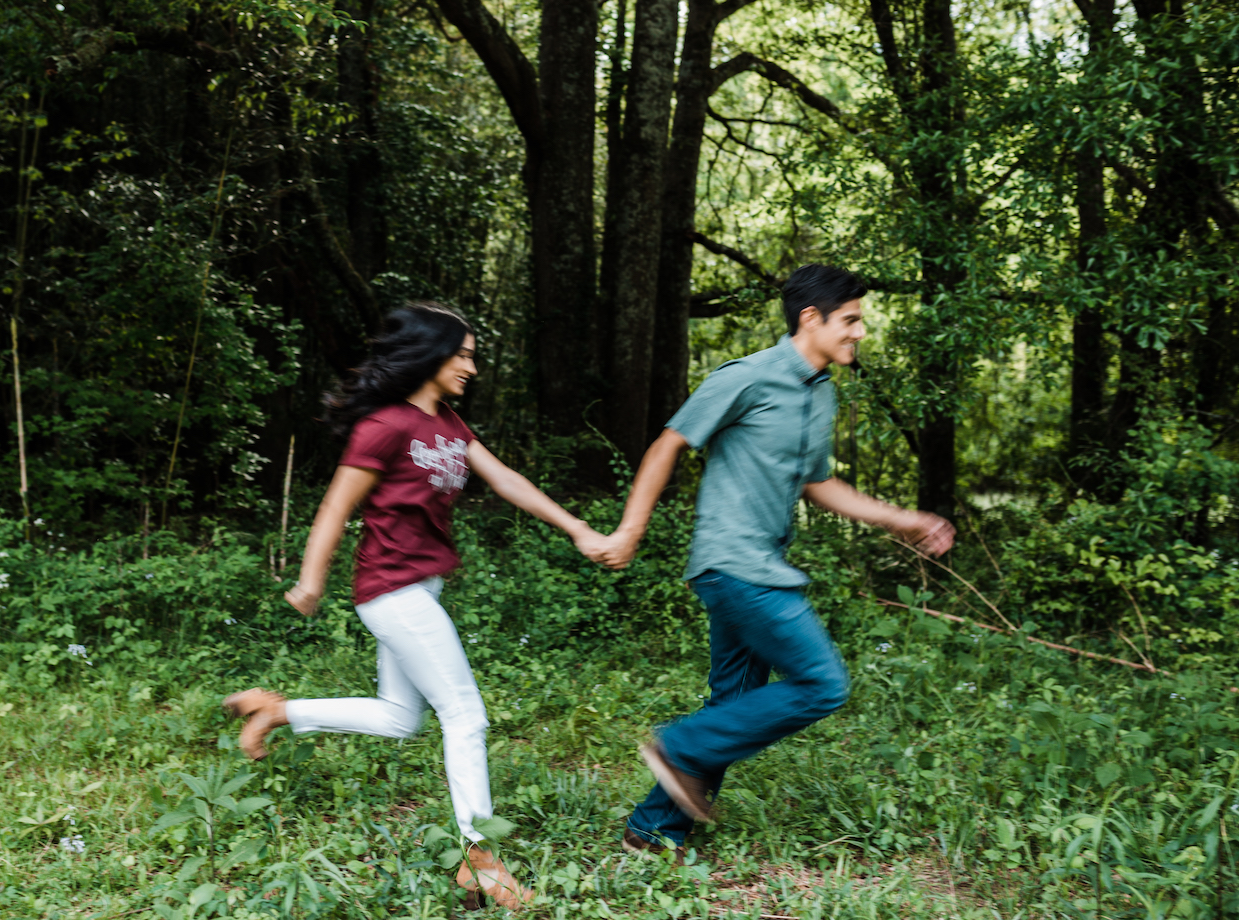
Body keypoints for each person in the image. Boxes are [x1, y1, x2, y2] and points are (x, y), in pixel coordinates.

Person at [225, 302, 607, 910]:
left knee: (400, 718)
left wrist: (578, 528)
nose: (471, 367)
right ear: (431, 355)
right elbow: (335, 505)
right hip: (390, 590)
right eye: (463, 355)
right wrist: (311, 578)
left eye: (472, 356)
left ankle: (277, 711)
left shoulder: (450, 424)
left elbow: (505, 479)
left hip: (418, 589)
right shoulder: (383, 426)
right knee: (466, 716)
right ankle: (479, 861)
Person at [593, 264, 956, 853]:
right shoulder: (749, 377)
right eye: (851, 320)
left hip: (762, 562)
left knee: (734, 704)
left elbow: (819, 484)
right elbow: (670, 443)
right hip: (734, 563)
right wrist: (630, 530)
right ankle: (679, 747)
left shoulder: (821, 394)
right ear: (811, 318)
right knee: (822, 683)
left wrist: (905, 518)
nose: (859, 332)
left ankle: (653, 830)